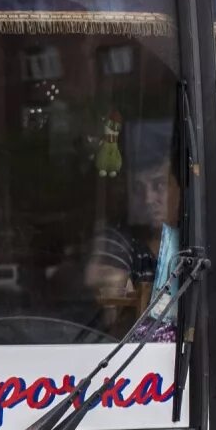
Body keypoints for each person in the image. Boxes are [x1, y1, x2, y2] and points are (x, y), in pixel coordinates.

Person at [83, 122, 183, 340]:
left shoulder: (194, 240)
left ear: (178, 189)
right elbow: (111, 307)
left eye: (158, 186)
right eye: (138, 189)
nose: (147, 199)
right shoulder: (119, 241)